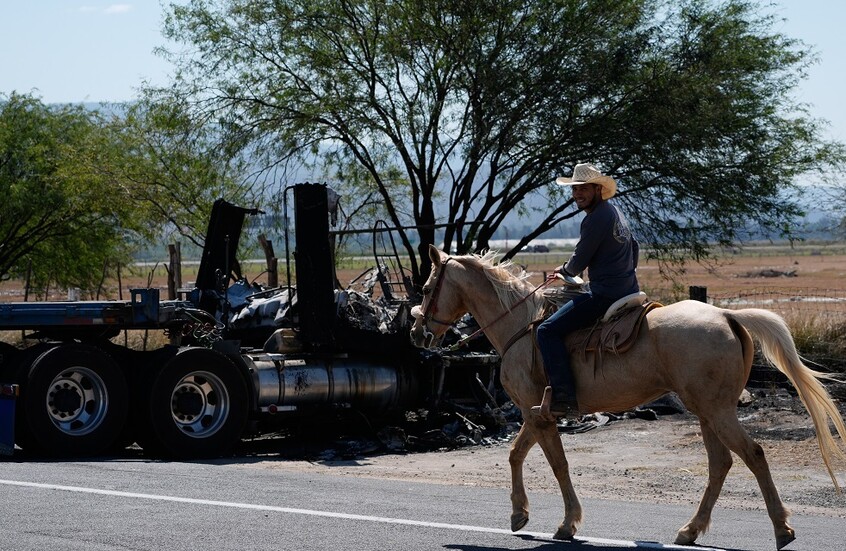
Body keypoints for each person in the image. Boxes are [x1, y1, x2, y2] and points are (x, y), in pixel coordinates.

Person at [533, 163, 640, 418]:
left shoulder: (595, 218)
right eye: (575, 189)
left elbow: (578, 262)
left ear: (597, 189)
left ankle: (565, 398)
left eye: (583, 188)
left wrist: (564, 270)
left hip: (605, 294)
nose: (577, 194)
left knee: (546, 331)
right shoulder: (615, 212)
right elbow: (634, 250)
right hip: (628, 289)